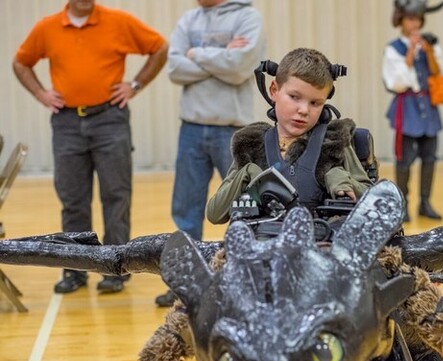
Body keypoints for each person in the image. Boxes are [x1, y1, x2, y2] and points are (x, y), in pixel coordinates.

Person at [12, 0, 168, 294]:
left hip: (110, 119)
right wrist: (41, 94)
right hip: (67, 122)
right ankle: (75, 270)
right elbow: (20, 62)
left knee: (116, 194)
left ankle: (116, 267)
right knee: (73, 200)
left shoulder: (118, 21)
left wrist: (134, 85)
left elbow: (159, 47)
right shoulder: (47, 27)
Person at [155, 0, 265, 307]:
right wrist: (223, 56)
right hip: (191, 127)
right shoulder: (189, 19)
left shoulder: (248, 17)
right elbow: (175, 69)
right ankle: (185, 283)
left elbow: (240, 68)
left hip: (233, 130)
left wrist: (196, 53)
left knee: (244, 206)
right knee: (186, 209)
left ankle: (238, 277)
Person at [206, 48, 373, 225]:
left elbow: (379, 203)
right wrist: (248, 175)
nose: (303, 110)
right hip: (265, 246)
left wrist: (340, 177)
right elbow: (215, 214)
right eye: (294, 97)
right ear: (274, 90)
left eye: (315, 103)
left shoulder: (334, 143)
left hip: (323, 245)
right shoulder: (251, 144)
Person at [382, 0, 443, 222]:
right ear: (401, 19)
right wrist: (410, 51)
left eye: (418, 19)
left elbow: (438, 73)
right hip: (407, 108)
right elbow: (396, 82)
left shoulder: (430, 44)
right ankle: (403, 205)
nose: (415, 23)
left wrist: (427, 52)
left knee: (430, 157)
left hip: (428, 107)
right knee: (404, 160)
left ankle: (425, 202)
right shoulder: (394, 48)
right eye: (410, 18)